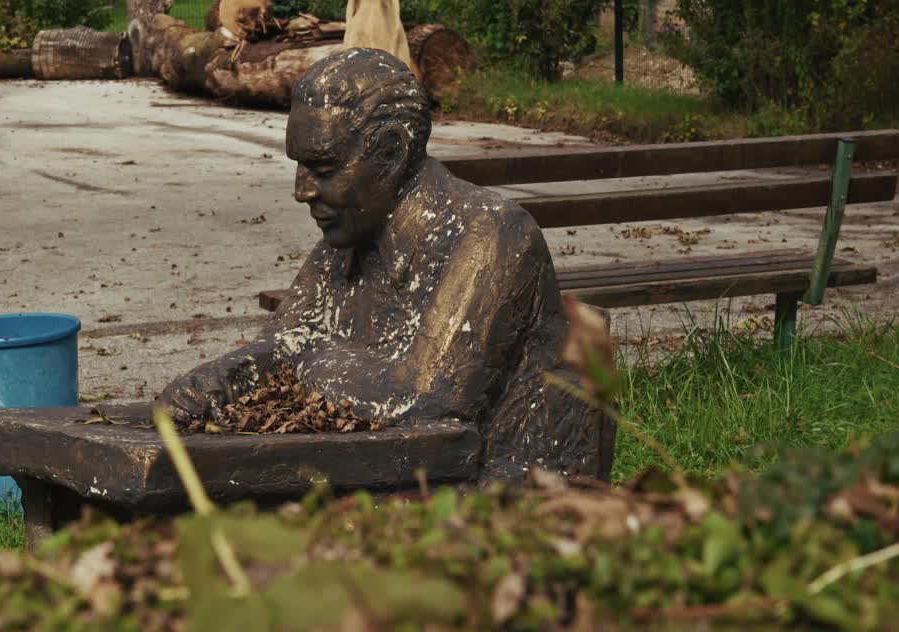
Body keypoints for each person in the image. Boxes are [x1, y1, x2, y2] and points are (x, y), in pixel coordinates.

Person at [156, 49, 610, 483]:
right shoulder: (350, 237)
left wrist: (300, 358)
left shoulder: (491, 234)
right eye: (300, 166)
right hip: (400, 476)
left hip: (499, 496)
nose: (302, 191)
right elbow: (280, 341)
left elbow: (423, 398)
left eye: (325, 168)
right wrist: (222, 376)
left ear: (393, 152)